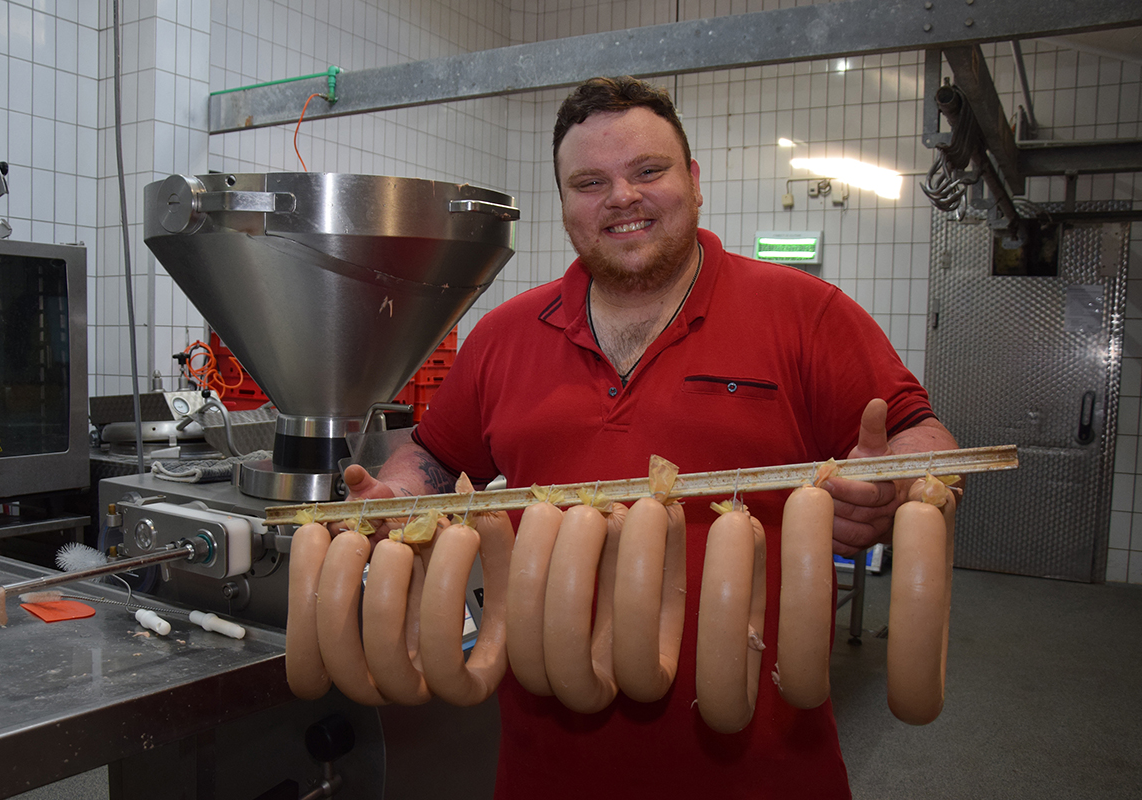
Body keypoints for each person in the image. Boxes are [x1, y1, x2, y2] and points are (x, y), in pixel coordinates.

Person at [343, 76, 958, 798]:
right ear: (566, 204)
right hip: (549, 763)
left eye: (648, 171)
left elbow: (926, 434)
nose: (621, 198)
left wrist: (898, 484)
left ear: (694, 182)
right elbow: (436, 456)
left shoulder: (806, 313)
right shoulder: (504, 334)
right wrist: (402, 492)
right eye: (589, 181)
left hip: (761, 764)